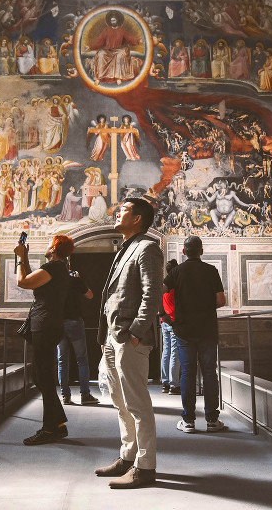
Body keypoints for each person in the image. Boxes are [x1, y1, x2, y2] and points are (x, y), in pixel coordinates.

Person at [94, 198, 162, 489]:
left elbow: (152, 295)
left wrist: (135, 331)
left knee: (137, 403)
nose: (117, 212)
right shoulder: (126, 247)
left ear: (137, 218)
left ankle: (145, 468)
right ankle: (127, 456)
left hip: (130, 336)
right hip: (113, 336)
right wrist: (104, 337)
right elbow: (112, 297)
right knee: (119, 402)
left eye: (123, 209)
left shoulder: (147, 248)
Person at [163, 236, 226, 434]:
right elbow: (221, 301)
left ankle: (188, 420)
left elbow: (160, 291)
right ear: (201, 251)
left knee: (188, 373)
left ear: (184, 252)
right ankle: (212, 420)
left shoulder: (175, 272)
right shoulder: (211, 270)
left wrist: (165, 314)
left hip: (184, 330)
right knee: (209, 372)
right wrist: (205, 305)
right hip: (207, 329)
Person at [14, 235, 72, 445]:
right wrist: (26, 257)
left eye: (50, 243)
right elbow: (33, 279)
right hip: (49, 325)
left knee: (43, 377)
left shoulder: (55, 267)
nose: (47, 245)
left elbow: (23, 282)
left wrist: (20, 259)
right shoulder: (58, 268)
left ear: (54, 248)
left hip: (45, 326)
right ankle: (57, 424)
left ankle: (50, 429)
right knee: (42, 376)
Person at [57, 268, 99, 405]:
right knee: (81, 360)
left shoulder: (54, 281)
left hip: (59, 323)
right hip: (75, 322)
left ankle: (65, 396)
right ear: (67, 266)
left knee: (62, 361)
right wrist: (79, 279)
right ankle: (85, 395)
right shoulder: (75, 280)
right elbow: (90, 295)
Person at [160, 260, 180, 395]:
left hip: (164, 321)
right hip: (173, 321)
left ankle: (165, 382)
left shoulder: (163, 285)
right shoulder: (176, 286)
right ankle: (174, 385)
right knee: (175, 353)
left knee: (166, 352)